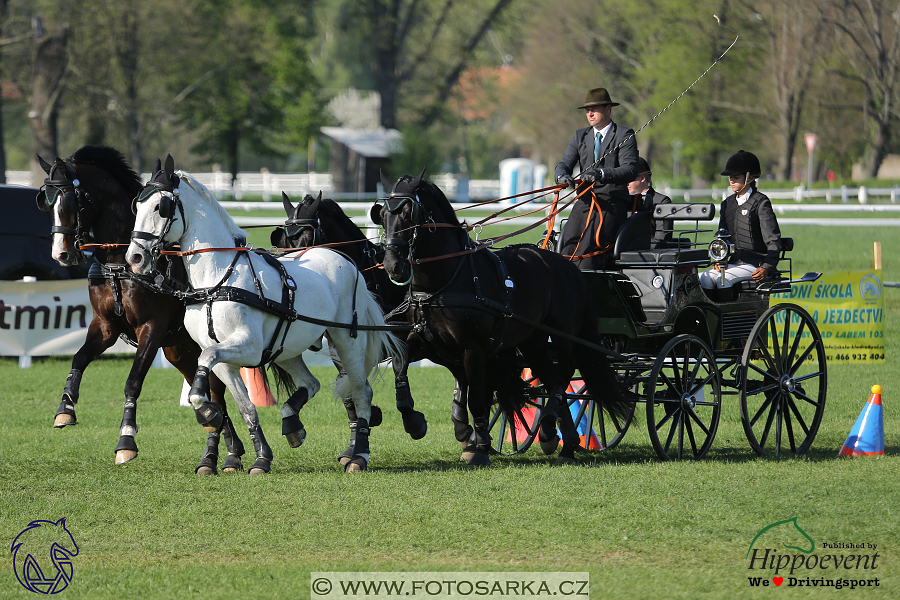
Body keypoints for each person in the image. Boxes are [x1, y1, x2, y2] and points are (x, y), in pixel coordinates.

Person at [554, 87, 639, 269]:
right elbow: (564, 163)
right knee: (565, 251)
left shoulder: (624, 134)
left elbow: (630, 169)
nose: (590, 113)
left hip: (611, 201)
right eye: (587, 110)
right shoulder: (580, 136)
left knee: (587, 254)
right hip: (584, 201)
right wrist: (561, 175)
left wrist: (602, 173)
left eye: (595, 109)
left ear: (608, 109)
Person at [699, 150, 782, 290]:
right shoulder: (726, 204)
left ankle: (726, 312)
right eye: (730, 177)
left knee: (722, 280)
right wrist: (720, 260)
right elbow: (723, 238)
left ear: (749, 178)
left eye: (736, 177)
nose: (731, 181)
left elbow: (773, 240)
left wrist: (767, 267)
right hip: (732, 263)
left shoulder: (761, 202)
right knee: (705, 278)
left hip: (755, 264)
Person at [628, 157, 673, 249]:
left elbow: (662, 238)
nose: (626, 183)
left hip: (650, 256)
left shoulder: (661, 201)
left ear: (642, 178)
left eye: (630, 179)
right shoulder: (623, 201)